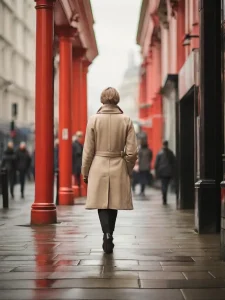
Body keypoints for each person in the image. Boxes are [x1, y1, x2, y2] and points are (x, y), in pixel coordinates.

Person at [82, 87, 137, 254]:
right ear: (117, 100)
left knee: (102, 203)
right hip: (118, 163)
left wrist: (85, 172)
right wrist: (127, 167)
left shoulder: (93, 120)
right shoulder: (126, 120)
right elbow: (132, 152)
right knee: (113, 203)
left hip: (98, 164)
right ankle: (110, 234)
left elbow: (88, 150)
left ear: (102, 100)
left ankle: (105, 233)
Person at [154, 141, 176, 205]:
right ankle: (164, 197)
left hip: (162, 171)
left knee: (164, 185)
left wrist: (156, 172)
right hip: (169, 172)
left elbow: (156, 164)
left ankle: (164, 197)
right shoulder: (170, 153)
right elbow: (174, 162)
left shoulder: (159, 153)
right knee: (166, 184)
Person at [72, 131, 83, 195]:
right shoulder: (76, 144)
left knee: (77, 178)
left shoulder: (77, 144)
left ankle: (78, 192)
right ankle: (77, 193)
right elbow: (78, 153)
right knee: (77, 179)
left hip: (77, 164)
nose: (81, 138)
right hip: (77, 164)